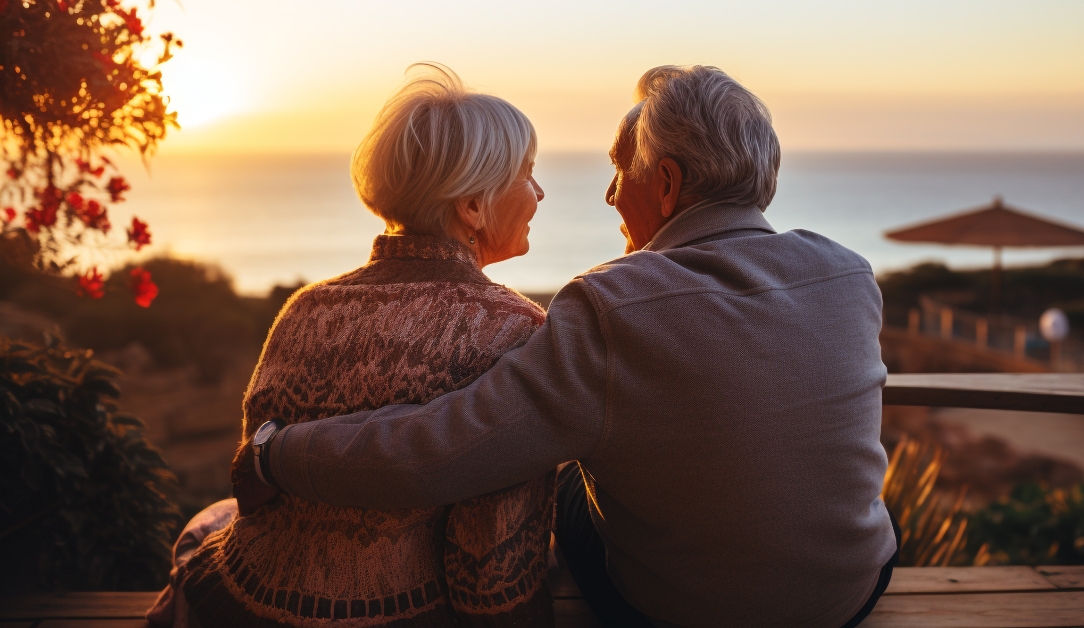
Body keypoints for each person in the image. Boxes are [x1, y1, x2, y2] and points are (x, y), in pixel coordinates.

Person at [239, 65, 899, 628]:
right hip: (851, 592)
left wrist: (277, 453)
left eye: (619, 171)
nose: (610, 195)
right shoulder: (849, 273)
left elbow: (439, 451)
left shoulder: (612, 305)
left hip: (685, 612)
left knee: (557, 475)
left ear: (667, 184)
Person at [148, 63, 557, 627]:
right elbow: (491, 562)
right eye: (528, 174)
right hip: (397, 615)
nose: (540, 192)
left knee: (205, 524)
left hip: (245, 599)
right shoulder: (513, 329)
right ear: (472, 205)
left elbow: (254, 489)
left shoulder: (305, 309)